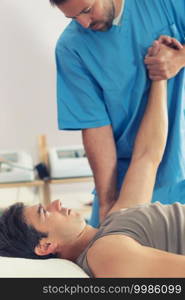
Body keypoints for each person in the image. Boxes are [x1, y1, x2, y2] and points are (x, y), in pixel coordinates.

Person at [1, 41, 185, 278]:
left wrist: (159, 78)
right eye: (45, 213)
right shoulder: (104, 254)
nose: (56, 203)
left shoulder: (113, 224)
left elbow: (147, 157)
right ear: (45, 246)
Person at [50, 0, 185, 227]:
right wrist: (106, 203)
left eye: (87, 10)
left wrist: (180, 59)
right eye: (73, 18)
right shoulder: (71, 48)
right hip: (130, 179)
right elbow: (95, 126)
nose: (84, 23)